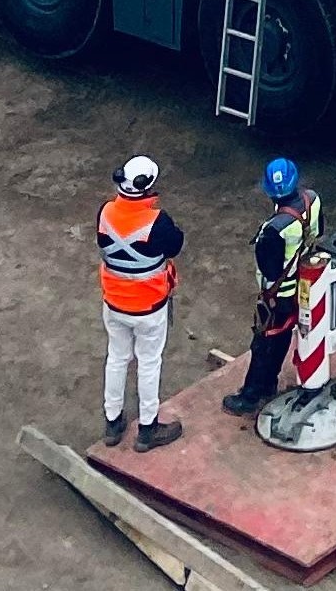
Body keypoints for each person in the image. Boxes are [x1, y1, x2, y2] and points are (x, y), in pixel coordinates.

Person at [220, 157, 326, 418]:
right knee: (282, 336)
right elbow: (320, 230)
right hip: (306, 283)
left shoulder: (274, 229)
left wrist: (270, 297)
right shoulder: (313, 200)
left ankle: (251, 395)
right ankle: (269, 383)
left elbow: (270, 270)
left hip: (278, 296)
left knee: (264, 343)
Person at [95, 152, 187, 453]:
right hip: (149, 307)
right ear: (147, 187)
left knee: (117, 358)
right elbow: (175, 245)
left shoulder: (105, 212)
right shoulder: (157, 222)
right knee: (149, 363)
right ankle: (148, 429)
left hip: (114, 304)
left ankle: (112, 422)